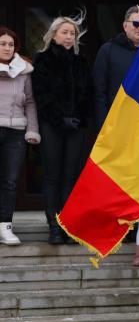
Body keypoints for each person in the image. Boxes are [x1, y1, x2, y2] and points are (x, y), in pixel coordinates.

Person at [32, 13, 92, 245]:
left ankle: (68, 226)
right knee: (52, 177)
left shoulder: (80, 62)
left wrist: (80, 118)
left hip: (76, 127)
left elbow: (87, 93)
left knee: (71, 177)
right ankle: (54, 227)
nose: (69, 37)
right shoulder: (42, 59)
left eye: (72, 34)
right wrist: (60, 119)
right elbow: (41, 95)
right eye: (65, 32)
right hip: (52, 126)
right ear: (54, 34)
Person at [0, 27, 40, 245]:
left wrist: (32, 130)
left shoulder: (23, 71)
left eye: (11, 44)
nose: (7, 48)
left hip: (16, 132)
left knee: (10, 181)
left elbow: (31, 102)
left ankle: (5, 227)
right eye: (3, 44)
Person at [93, 5, 139, 129]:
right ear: (125, 26)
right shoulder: (108, 50)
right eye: (136, 23)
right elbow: (99, 92)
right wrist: (102, 126)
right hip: (116, 123)